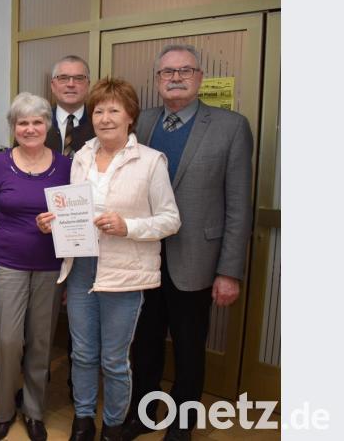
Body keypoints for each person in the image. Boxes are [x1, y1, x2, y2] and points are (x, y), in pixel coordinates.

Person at [37, 77, 181, 441]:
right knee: (83, 354)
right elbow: (71, 208)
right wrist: (52, 222)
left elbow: (170, 220)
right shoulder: (81, 157)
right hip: (81, 267)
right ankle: (83, 420)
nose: (105, 118)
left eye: (114, 110)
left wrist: (127, 226)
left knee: (114, 360)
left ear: (130, 116)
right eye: (99, 110)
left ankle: (113, 425)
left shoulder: (150, 162)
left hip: (125, 271)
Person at [123, 44, 253, 441]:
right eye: (167, 72)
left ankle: (182, 423)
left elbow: (238, 205)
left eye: (185, 70)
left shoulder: (231, 126)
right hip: (144, 257)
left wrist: (229, 271)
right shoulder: (141, 122)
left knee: (189, 346)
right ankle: (143, 414)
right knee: (144, 343)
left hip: (197, 259)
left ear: (199, 77)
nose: (176, 78)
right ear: (157, 80)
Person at [0, 92, 71, 441]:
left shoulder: (66, 166)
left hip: (50, 267)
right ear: (13, 127)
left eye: (37, 122)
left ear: (47, 126)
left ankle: (33, 410)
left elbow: (75, 221)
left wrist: (68, 269)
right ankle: (4, 411)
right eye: (22, 123)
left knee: (41, 341)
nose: (30, 128)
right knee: (7, 340)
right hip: (6, 265)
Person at [44, 55, 96, 158]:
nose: (71, 84)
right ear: (52, 86)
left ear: (88, 85)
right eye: (63, 78)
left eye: (79, 78)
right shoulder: (37, 122)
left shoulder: (100, 123)